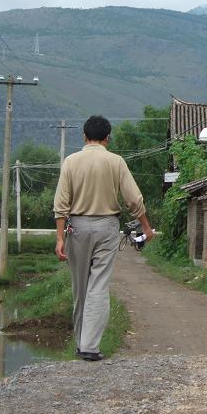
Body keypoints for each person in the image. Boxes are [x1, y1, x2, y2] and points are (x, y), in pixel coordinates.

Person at [53, 114, 155, 361]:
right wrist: (147, 227)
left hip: (76, 227)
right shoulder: (116, 162)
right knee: (98, 285)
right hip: (107, 227)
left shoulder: (70, 162)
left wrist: (59, 238)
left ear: (84, 136)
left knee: (80, 288)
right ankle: (90, 346)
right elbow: (133, 199)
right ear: (108, 138)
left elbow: (61, 203)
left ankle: (80, 343)